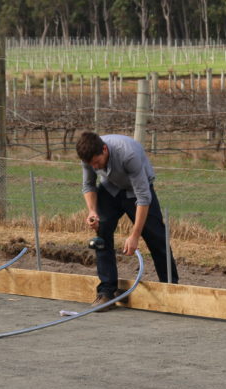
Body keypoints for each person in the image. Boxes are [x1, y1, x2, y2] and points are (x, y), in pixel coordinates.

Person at [76, 131, 178, 308]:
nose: (95, 166)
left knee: (156, 236)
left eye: (97, 162)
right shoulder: (88, 158)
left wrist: (134, 235)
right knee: (102, 233)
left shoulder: (127, 154)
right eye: (91, 164)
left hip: (137, 190)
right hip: (111, 188)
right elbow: (89, 185)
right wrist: (92, 211)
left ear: (105, 150)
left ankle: (171, 288)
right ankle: (106, 292)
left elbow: (143, 197)